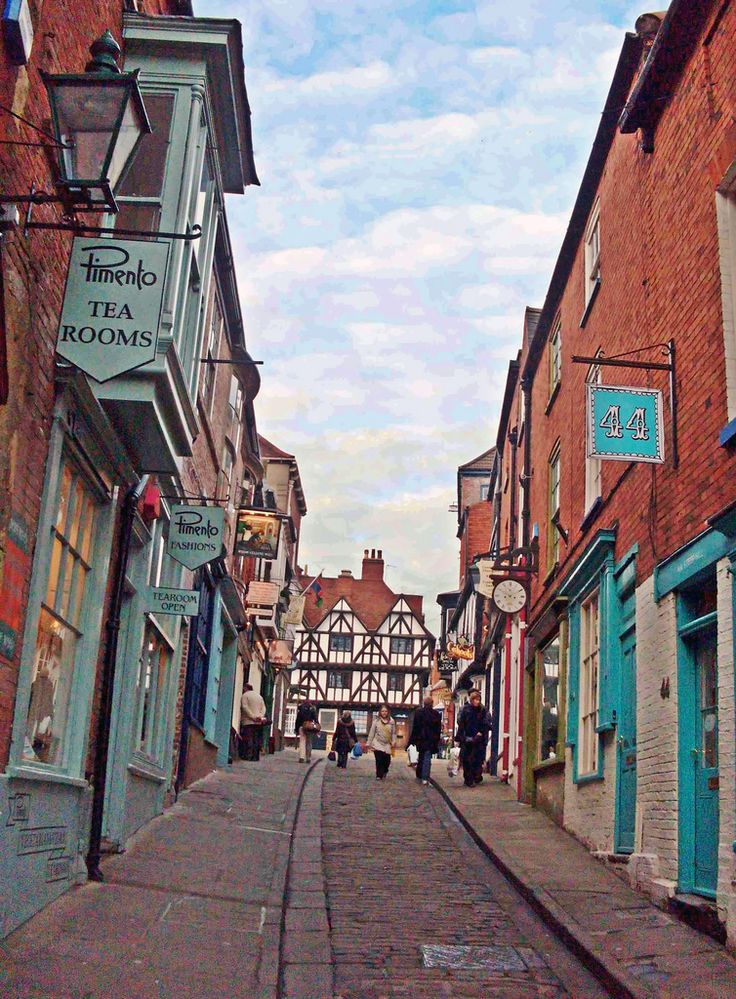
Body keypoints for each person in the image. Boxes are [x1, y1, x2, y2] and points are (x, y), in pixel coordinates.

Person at [455, 688, 491, 787]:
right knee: (467, 759)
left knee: (476, 759)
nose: (477, 702)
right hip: (467, 738)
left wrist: (481, 732)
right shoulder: (465, 709)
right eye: (475, 699)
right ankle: (468, 779)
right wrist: (460, 737)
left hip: (478, 739)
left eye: (478, 700)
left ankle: (475, 776)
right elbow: (461, 723)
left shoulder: (483, 710)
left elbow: (486, 722)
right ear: (471, 700)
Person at [408, 695, 442, 784]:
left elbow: (415, 727)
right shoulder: (436, 714)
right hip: (431, 740)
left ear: (424, 703)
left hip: (421, 739)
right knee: (426, 757)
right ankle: (424, 777)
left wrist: (413, 740)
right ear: (432, 704)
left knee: (422, 756)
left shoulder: (419, 713)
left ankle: (421, 775)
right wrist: (437, 740)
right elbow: (438, 729)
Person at [367, 705, 396, 780]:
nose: (384, 713)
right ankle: (379, 775)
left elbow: (393, 733)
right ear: (380, 712)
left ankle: (385, 770)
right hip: (377, 743)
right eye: (382, 711)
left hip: (387, 744)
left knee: (387, 761)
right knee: (379, 759)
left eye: (385, 711)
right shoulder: (376, 721)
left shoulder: (391, 721)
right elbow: (372, 732)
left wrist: (393, 741)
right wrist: (368, 743)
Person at [240, 683, 267, 761]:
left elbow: (245, 707)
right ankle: (255, 756)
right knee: (256, 739)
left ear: (245, 688)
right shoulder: (259, 697)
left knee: (248, 739)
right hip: (258, 722)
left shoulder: (245, 696)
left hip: (248, 722)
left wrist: (253, 717)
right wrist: (260, 716)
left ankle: (248, 755)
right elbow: (263, 708)